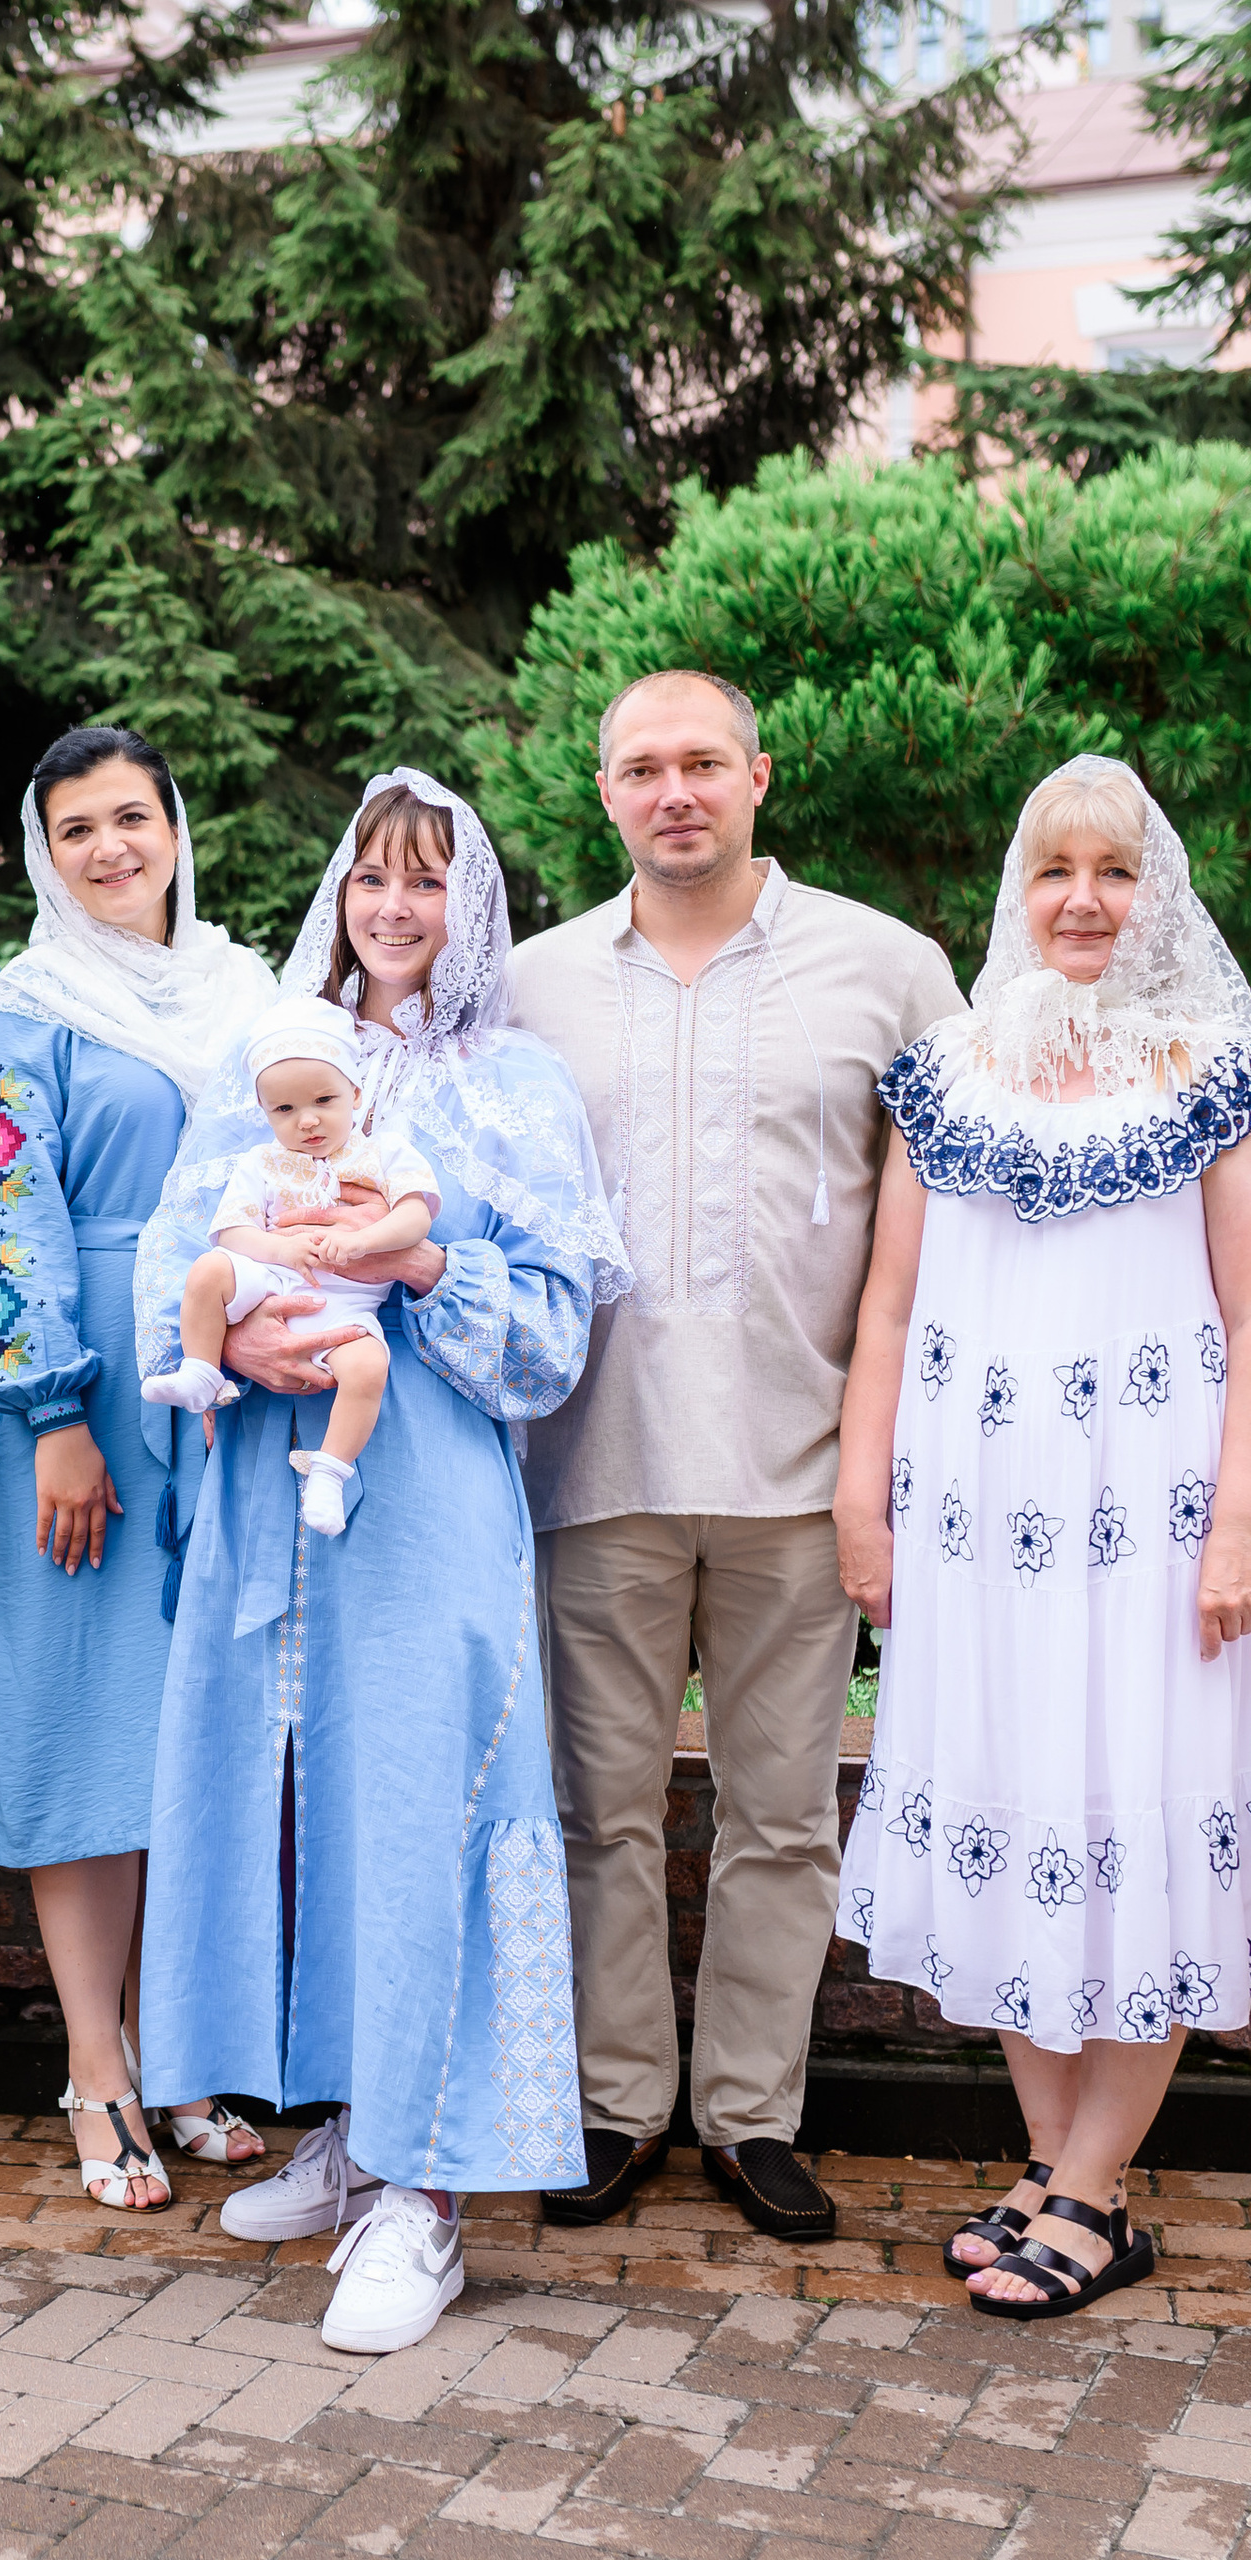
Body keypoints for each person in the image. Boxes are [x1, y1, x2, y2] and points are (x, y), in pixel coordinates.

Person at [136, 770, 630, 2355]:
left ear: (469, 902)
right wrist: (244, 1339)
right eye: (370, 881)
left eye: (427, 883)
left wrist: (422, 1262)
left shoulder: (515, 1085)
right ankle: (352, 2134)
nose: (395, 911)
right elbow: (177, 1256)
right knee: (304, 1808)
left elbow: (553, 1334)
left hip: (427, 1499)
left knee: (432, 1805)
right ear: (338, 896)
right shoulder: (271, 1059)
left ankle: (429, 2195)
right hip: (276, 1499)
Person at [508, 669, 966, 2241]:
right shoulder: (532, 984)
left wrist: (895, 1463)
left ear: (761, 774)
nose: (676, 789)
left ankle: (755, 2116)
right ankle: (617, 2102)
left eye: (705, 760)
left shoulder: (891, 970)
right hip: (591, 1467)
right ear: (607, 792)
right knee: (600, 1814)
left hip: (804, 1469)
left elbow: (949, 1225)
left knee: (786, 1817)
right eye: (644, 766)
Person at [837, 756, 1251, 2317]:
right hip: (974, 1527)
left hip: (1151, 1530)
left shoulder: (1215, 1068)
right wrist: (861, 1496)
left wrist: (1237, 1529)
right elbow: (885, 1305)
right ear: (1020, 887)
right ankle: (1050, 2150)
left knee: (1134, 1805)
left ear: (1158, 894)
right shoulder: (948, 1071)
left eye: (1117, 870)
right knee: (1012, 1798)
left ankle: (1096, 2187)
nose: (1084, 899)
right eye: (1056, 869)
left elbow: (1250, 1313)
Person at [0, 725, 276, 2212]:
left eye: (131, 817)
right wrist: (52, 1421)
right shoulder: (26, 1013)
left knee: (196, 1733)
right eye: (74, 826)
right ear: (44, 850)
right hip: (86, 1404)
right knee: (85, 1726)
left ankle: (183, 2049)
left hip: (231, 1398)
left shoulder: (247, 991)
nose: (109, 849)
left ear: (174, 824)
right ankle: (95, 2066)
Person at [146, 995, 442, 1537]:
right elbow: (230, 1230)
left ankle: (330, 1470)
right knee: (209, 1271)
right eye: (284, 1110)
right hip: (273, 1280)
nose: (307, 1121)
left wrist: (363, 1242)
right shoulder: (261, 1162)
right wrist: (279, 1249)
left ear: (356, 1094)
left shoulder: (384, 1153)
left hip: (346, 1301)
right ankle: (201, 1371)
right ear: (265, 1113)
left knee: (367, 1368)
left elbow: (416, 1217)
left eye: (324, 1100)